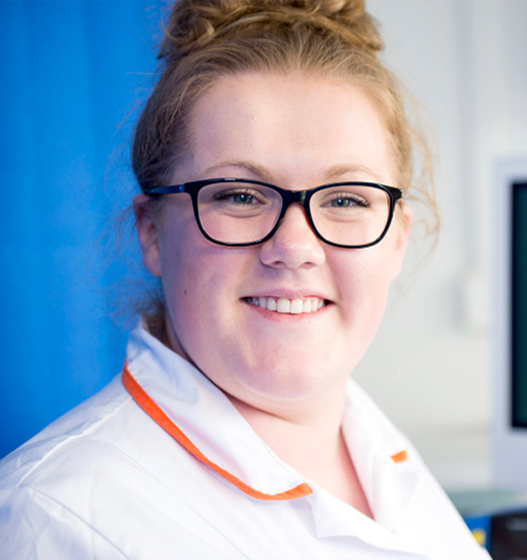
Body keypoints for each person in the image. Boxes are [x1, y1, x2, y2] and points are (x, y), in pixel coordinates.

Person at [0, 0, 488, 557]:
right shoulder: (52, 520)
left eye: (347, 198)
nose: (296, 247)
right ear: (152, 233)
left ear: (397, 237)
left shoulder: (379, 454)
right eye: (239, 195)